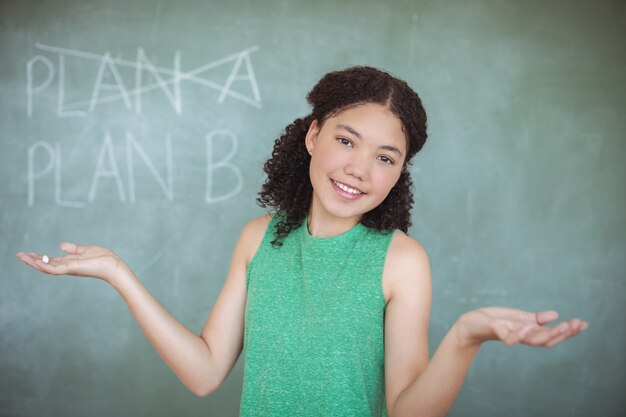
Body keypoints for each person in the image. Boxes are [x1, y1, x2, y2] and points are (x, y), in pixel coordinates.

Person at [16, 66, 588, 417]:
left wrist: (466, 337)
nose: (360, 169)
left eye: (385, 157)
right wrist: (119, 272)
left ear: (399, 173)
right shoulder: (257, 239)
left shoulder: (401, 262)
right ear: (313, 136)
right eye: (347, 140)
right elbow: (205, 373)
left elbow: (409, 410)